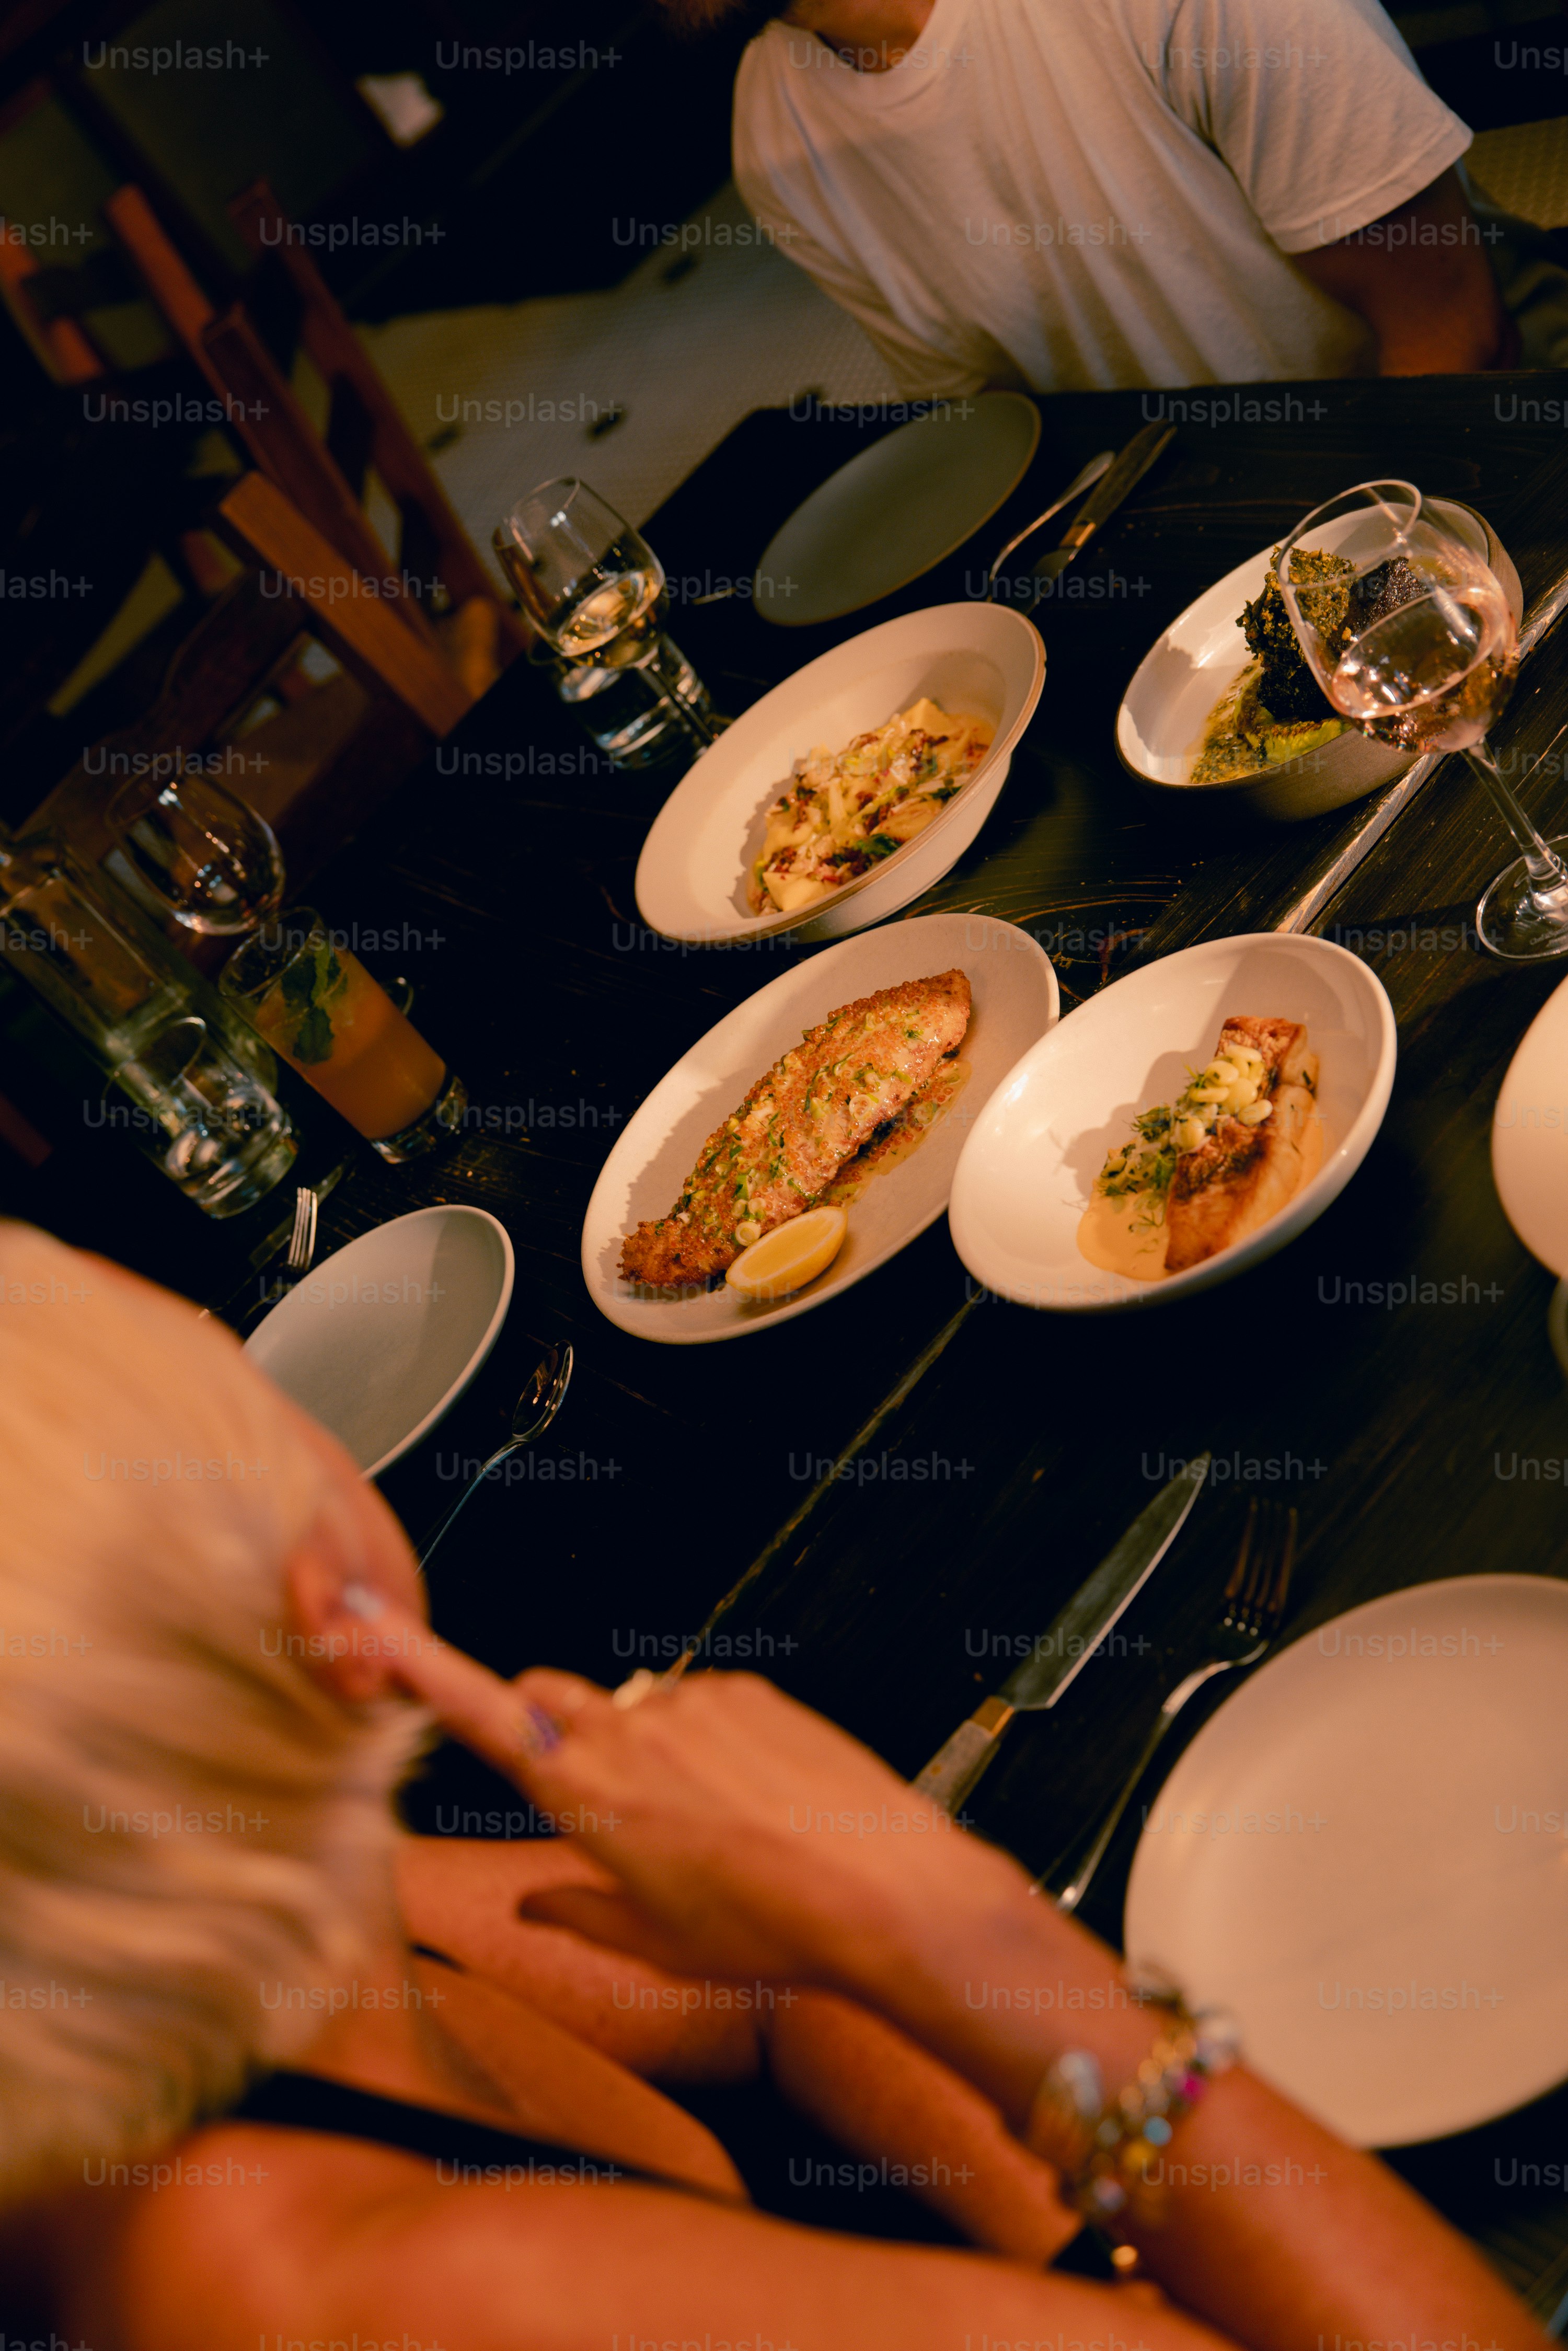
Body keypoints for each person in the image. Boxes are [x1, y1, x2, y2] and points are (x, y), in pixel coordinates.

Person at [0, 1219, 1550, 2351]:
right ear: (323, 1595)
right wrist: (966, 1937)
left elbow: (763, 1992)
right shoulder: (421, 2301)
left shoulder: (181, 1928)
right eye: (232, 1375)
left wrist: (1107, 2244)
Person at [664, 0, 1521, 392]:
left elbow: (1451, 328)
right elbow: (991, 427)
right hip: (1198, 513)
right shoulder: (773, 134)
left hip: (1452, 418)